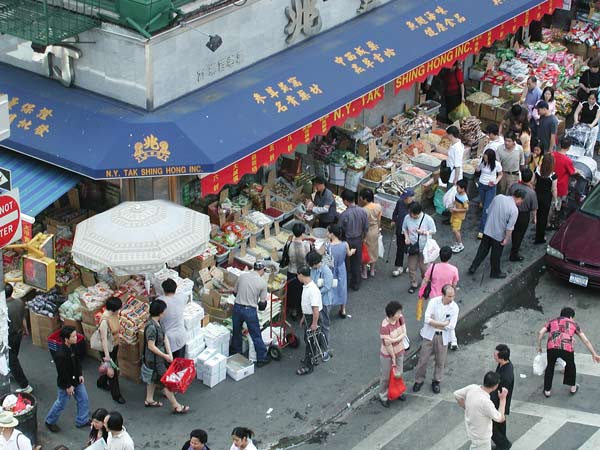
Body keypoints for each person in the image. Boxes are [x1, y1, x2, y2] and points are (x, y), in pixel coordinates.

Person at [537, 307, 600, 398]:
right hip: (567, 348)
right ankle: (573, 388)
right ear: (570, 317)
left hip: (552, 347)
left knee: (550, 366)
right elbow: (585, 341)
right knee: (571, 365)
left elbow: (540, 332)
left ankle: (547, 391)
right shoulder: (574, 324)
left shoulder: (552, 321)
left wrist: (539, 346)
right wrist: (594, 354)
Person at [143, 299, 190, 413]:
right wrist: (165, 355)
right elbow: (151, 346)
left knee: (153, 379)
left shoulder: (159, 323)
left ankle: (149, 399)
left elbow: (165, 338)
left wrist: (169, 354)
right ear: (160, 312)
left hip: (158, 358)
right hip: (154, 360)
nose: (165, 312)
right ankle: (176, 406)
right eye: (164, 310)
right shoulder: (151, 327)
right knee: (166, 382)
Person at [413, 285, 459, 394]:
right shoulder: (433, 302)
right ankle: (419, 380)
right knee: (423, 359)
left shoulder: (454, 307)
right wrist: (443, 324)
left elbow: (451, 326)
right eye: (449, 296)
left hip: (443, 336)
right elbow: (427, 319)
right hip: (429, 335)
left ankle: (436, 381)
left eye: (453, 296)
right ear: (443, 294)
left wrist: (435, 323)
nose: (451, 299)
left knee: (440, 361)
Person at [468, 190, 524, 279]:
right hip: (499, 235)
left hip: (488, 230)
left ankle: (473, 266)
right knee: (496, 255)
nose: (521, 203)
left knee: (482, 250)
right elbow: (510, 227)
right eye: (522, 201)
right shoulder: (514, 210)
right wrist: (506, 239)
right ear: (519, 198)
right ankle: (495, 272)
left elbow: (488, 211)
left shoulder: (499, 197)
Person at [45, 326, 90, 432]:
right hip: (66, 384)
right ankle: (49, 421)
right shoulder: (60, 355)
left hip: (76, 380)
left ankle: (82, 420)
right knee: (61, 403)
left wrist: (80, 374)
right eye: (73, 336)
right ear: (66, 339)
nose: (76, 338)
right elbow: (62, 373)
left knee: (83, 398)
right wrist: (68, 386)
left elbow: (77, 361)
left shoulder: (73, 346)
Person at [418, 246, 459, 350]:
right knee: (448, 319)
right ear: (450, 257)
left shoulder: (432, 267)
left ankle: (425, 333)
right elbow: (454, 284)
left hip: (433, 297)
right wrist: (452, 295)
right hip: (447, 297)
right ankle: (453, 341)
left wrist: (421, 293)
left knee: (430, 316)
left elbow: (425, 280)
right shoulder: (454, 270)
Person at [454, 372, 508, 450]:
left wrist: (467, 407)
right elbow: (500, 418)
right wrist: (503, 399)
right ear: (495, 386)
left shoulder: (472, 388)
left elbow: (457, 395)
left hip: (471, 428)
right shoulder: (486, 403)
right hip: (481, 437)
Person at [232, 262, 270, 366]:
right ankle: (261, 358)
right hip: (250, 310)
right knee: (256, 334)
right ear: (262, 270)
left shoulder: (242, 276)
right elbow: (262, 304)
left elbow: (235, 292)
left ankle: (236, 354)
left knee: (236, 331)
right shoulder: (262, 283)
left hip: (237, 308)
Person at [402, 201, 437, 294]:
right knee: (411, 267)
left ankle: (426, 283)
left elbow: (433, 231)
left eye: (411, 213)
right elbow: (404, 229)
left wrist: (424, 232)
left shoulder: (428, 219)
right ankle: (414, 283)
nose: (410, 215)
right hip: (413, 247)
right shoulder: (407, 218)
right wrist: (406, 237)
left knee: (424, 268)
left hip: (424, 248)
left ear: (417, 213)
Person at [96, 296, 126, 404]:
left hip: (114, 345)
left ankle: (101, 382)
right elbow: (104, 340)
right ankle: (116, 395)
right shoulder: (104, 321)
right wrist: (107, 357)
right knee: (112, 372)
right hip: (107, 349)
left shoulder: (114, 315)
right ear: (113, 309)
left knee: (108, 369)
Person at [378, 301, 407, 408]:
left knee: (399, 373)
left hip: (399, 350)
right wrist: (393, 358)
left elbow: (404, 333)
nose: (400, 314)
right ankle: (383, 396)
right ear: (391, 314)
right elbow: (387, 344)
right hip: (388, 354)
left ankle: (398, 391)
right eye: (397, 312)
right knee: (385, 376)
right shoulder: (385, 326)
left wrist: (394, 339)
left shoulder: (400, 318)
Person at [296, 266, 324, 375]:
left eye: (298, 275)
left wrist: (314, 324)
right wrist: (304, 317)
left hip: (313, 318)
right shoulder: (307, 286)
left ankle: (308, 366)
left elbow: (315, 309)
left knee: (310, 342)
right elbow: (307, 306)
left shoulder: (312, 290)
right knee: (309, 340)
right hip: (308, 317)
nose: (297, 277)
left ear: (301, 275)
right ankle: (313, 358)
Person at [339, 189, 368, 291]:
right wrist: (362, 238)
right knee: (356, 262)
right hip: (358, 240)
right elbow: (366, 228)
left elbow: (340, 229)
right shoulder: (363, 211)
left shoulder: (344, 215)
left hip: (347, 240)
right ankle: (356, 283)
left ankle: (345, 283)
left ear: (346, 201)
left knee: (346, 262)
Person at [5, 283, 32, 394]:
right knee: (13, 355)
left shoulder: (4, 308)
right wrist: (26, 330)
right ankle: (9, 369)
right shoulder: (19, 302)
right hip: (18, 334)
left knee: (12, 360)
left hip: (9, 337)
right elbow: (23, 318)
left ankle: (25, 385)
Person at [507, 169, 538, 262]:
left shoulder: (513, 186)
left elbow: (508, 197)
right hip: (523, 215)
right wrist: (534, 218)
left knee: (511, 229)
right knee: (519, 234)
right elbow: (534, 208)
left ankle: (512, 245)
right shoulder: (532, 192)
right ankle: (514, 253)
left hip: (512, 211)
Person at [327, 224, 355, 318]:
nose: (326, 233)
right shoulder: (345, 244)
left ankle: (329, 307)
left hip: (330, 269)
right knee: (342, 287)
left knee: (330, 287)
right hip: (341, 268)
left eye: (328, 232)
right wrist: (353, 251)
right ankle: (343, 309)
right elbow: (349, 254)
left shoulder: (328, 246)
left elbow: (320, 254)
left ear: (332, 234)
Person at [307, 250, 333, 349]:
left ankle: (325, 346)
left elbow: (327, 287)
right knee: (318, 323)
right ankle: (318, 343)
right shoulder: (313, 270)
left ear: (314, 263)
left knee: (325, 324)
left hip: (324, 301)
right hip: (316, 301)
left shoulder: (326, 271)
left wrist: (316, 292)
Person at [490, 345, 514, 450]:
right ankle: (501, 445)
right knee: (500, 425)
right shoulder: (504, 364)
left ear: (501, 357)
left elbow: (503, 394)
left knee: (493, 428)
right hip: (497, 401)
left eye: (495, 355)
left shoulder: (505, 376)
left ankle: (504, 445)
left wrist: (500, 409)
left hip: (499, 403)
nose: (493, 356)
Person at [286, 223, 312, 320]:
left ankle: (293, 311)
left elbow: (286, 258)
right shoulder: (306, 245)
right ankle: (302, 310)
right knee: (303, 292)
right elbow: (309, 259)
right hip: (303, 272)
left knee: (293, 292)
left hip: (292, 271)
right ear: (302, 233)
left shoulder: (289, 244)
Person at [476, 148, 503, 240]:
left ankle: (482, 230)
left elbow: (500, 174)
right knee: (484, 205)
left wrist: (495, 182)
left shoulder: (497, 165)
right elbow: (478, 170)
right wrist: (478, 164)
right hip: (481, 185)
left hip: (490, 187)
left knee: (486, 208)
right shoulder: (482, 162)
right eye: (484, 157)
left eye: (487, 158)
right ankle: (489, 220)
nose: (485, 159)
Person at [158, 278, 188, 359]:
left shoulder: (160, 300)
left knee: (170, 366)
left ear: (164, 290)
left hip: (169, 340)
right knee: (179, 363)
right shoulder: (182, 297)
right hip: (182, 335)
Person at [534, 153, 558, 244]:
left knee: (537, 214)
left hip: (537, 195)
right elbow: (554, 189)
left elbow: (533, 182)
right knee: (543, 218)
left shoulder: (537, 170)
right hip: (546, 198)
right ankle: (540, 237)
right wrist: (555, 200)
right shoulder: (553, 175)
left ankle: (537, 233)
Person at [358, 188, 382, 278]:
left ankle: (364, 272)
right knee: (374, 250)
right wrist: (378, 229)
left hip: (366, 232)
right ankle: (372, 270)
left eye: (361, 198)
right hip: (375, 230)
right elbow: (379, 220)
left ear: (365, 199)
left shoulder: (363, 210)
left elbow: (362, 224)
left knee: (365, 251)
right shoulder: (378, 207)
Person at [391, 189, 415, 276]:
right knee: (399, 248)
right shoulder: (400, 202)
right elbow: (395, 212)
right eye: (404, 198)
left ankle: (410, 264)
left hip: (409, 232)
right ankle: (399, 266)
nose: (404, 200)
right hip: (399, 229)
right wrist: (393, 220)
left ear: (411, 197)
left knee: (409, 249)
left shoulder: (415, 206)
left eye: (406, 198)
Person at [552, 137, 576, 218]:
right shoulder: (567, 160)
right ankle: (552, 221)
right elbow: (572, 172)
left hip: (550, 184)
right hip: (560, 187)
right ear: (569, 147)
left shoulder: (552, 154)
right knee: (556, 205)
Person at [573, 91, 600, 157]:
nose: (590, 100)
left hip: (592, 128)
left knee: (590, 145)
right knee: (580, 143)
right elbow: (576, 113)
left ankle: (587, 158)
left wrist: (591, 125)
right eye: (589, 98)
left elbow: (597, 118)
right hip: (582, 127)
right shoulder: (583, 103)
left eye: (593, 99)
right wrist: (576, 121)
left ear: (596, 99)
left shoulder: (598, 107)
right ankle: (578, 156)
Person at [450, 179, 469, 253]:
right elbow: (456, 201)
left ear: (463, 189)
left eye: (458, 187)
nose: (456, 189)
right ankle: (457, 243)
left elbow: (466, 209)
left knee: (456, 230)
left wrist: (456, 210)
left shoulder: (465, 199)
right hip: (454, 214)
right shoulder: (458, 194)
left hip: (458, 217)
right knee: (454, 230)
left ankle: (460, 245)